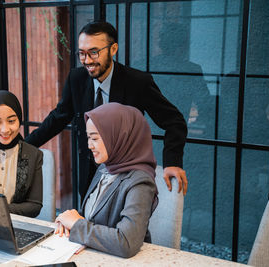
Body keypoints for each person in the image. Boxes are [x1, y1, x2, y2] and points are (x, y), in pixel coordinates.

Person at [25, 21, 188, 201]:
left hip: (125, 177)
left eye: (94, 52)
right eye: (82, 53)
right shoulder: (76, 79)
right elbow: (57, 118)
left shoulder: (137, 82)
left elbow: (175, 122)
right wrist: (23, 148)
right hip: (88, 176)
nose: (87, 61)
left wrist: (173, 162)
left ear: (113, 49)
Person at [55, 103, 158, 258]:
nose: (89, 145)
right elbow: (89, 217)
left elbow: (126, 243)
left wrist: (76, 224)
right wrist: (68, 221)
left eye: (95, 138)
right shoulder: (105, 167)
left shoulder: (140, 183)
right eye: (88, 138)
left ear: (119, 136)